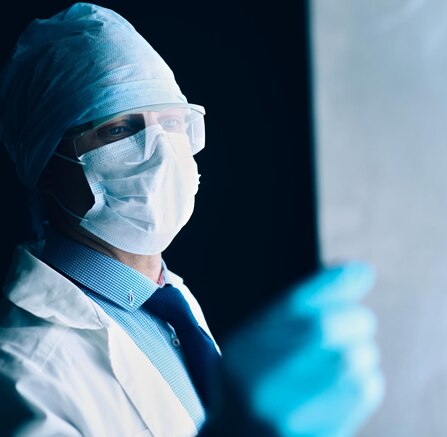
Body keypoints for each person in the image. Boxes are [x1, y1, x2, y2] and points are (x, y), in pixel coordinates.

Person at [0, 3, 385, 437]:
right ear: (47, 165)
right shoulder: (23, 370)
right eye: (118, 129)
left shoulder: (166, 302)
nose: (164, 151)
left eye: (172, 122)